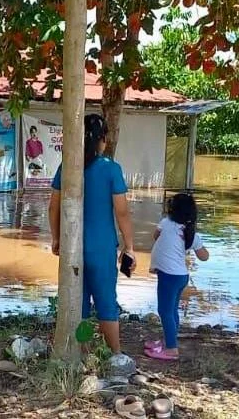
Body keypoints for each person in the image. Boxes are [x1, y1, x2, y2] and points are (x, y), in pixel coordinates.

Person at [49, 114, 135, 354]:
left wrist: (56, 238)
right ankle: (115, 356)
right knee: (107, 302)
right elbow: (123, 213)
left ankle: (82, 354)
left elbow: (53, 207)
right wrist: (129, 247)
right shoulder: (111, 169)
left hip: (72, 247)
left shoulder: (66, 166)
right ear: (103, 140)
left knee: (79, 304)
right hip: (102, 248)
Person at [144, 192, 209, 360]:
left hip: (169, 276)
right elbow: (204, 256)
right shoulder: (190, 233)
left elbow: (155, 236)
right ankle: (168, 341)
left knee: (164, 311)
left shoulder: (166, 223)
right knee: (172, 310)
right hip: (180, 276)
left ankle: (171, 349)